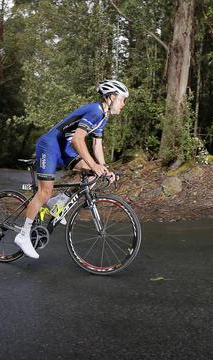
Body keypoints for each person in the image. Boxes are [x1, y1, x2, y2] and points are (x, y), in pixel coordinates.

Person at [14, 79, 129, 259]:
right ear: (111, 97)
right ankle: (23, 235)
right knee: (44, 192)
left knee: (92, 175)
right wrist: (93, 164)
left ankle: (58, 202)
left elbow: (97, 145)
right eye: (122, 99)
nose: (123, 104)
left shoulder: (103, 116)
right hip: (49, 146)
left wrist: (104, 168)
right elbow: (78, 140)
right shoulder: (95, 111)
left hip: (62, 147)